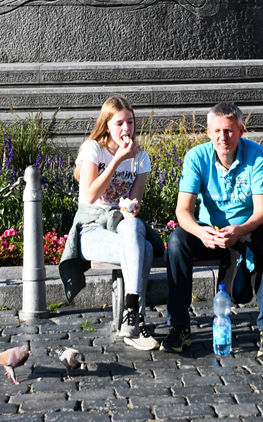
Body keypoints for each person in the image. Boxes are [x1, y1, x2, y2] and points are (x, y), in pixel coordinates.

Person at [163, 102, 263, 358]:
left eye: (228, 131)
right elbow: (182, 211)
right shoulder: (196, 157)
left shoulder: (257, 155)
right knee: (177, 242)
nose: (222, 137)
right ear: (208, 132)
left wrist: (239, 230)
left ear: (241, 130)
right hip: (208, 228)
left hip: (246, 226)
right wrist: (201, 233)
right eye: (217, 131)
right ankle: (179, 327)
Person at [58, 95, 164, 349]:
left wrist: (131, 208)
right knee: (144, 249)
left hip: (121, 225)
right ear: (107, 126)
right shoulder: (93, 149)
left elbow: (132, 205)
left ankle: (130, 317)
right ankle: (137, 319)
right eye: (119, 123)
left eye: (130, 122)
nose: (126, 129)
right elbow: (91, 195)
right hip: (92, 228)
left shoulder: (141, 157)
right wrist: (118, 160)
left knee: (134, 226)